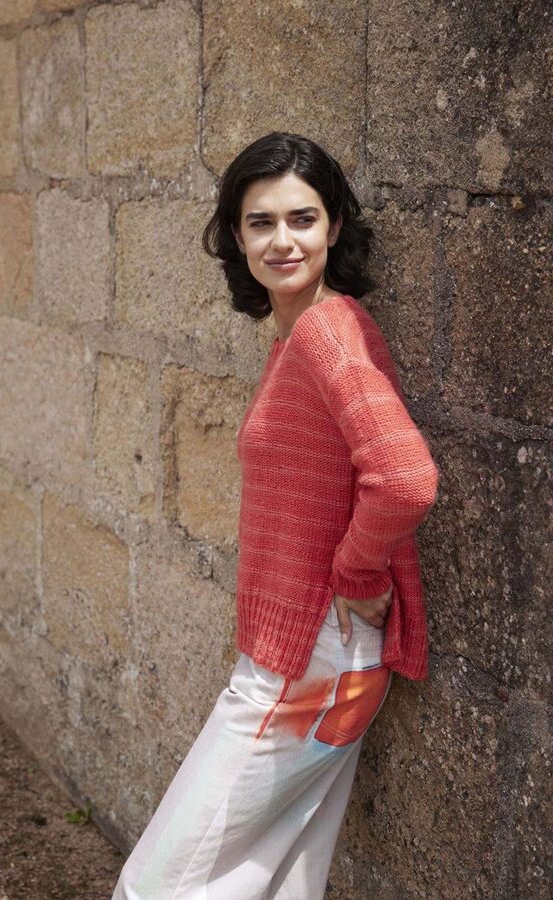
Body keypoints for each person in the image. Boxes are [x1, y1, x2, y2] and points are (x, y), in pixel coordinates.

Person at [111, 131, 439, 900]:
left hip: (309, 663)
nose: (282, 240)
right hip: (314, 658)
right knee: (284, 878)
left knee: (156, 885)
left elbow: (406, 477)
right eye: (261, 222)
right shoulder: (302, 335)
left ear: (334, 226)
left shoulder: (327, 333)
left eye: (303, 218)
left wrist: (357, 570)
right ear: (236, 236)